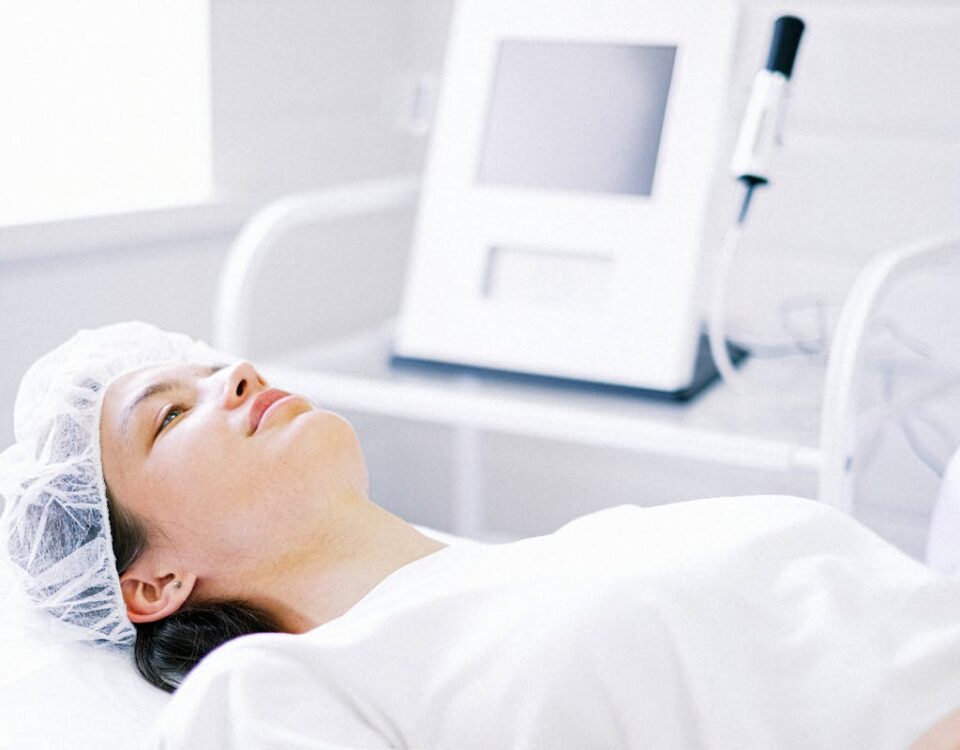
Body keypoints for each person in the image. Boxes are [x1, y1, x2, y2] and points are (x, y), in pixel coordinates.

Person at [2, 321, 960, 749]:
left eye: (213, 366)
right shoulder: (269, 695)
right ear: (152, 584)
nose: (236, 376)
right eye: (168, 416)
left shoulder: (568, 553)